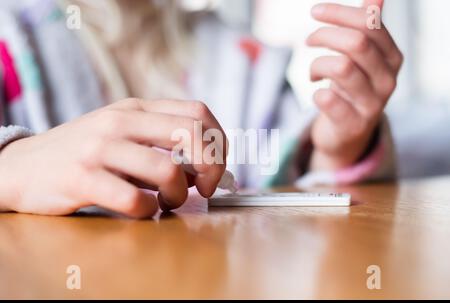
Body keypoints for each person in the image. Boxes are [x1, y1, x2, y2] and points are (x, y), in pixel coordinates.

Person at [0, 0, 402, 217]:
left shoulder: (244, 58)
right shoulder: (10, 38)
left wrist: (337, 147)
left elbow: (288, 180)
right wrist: (14, 167)